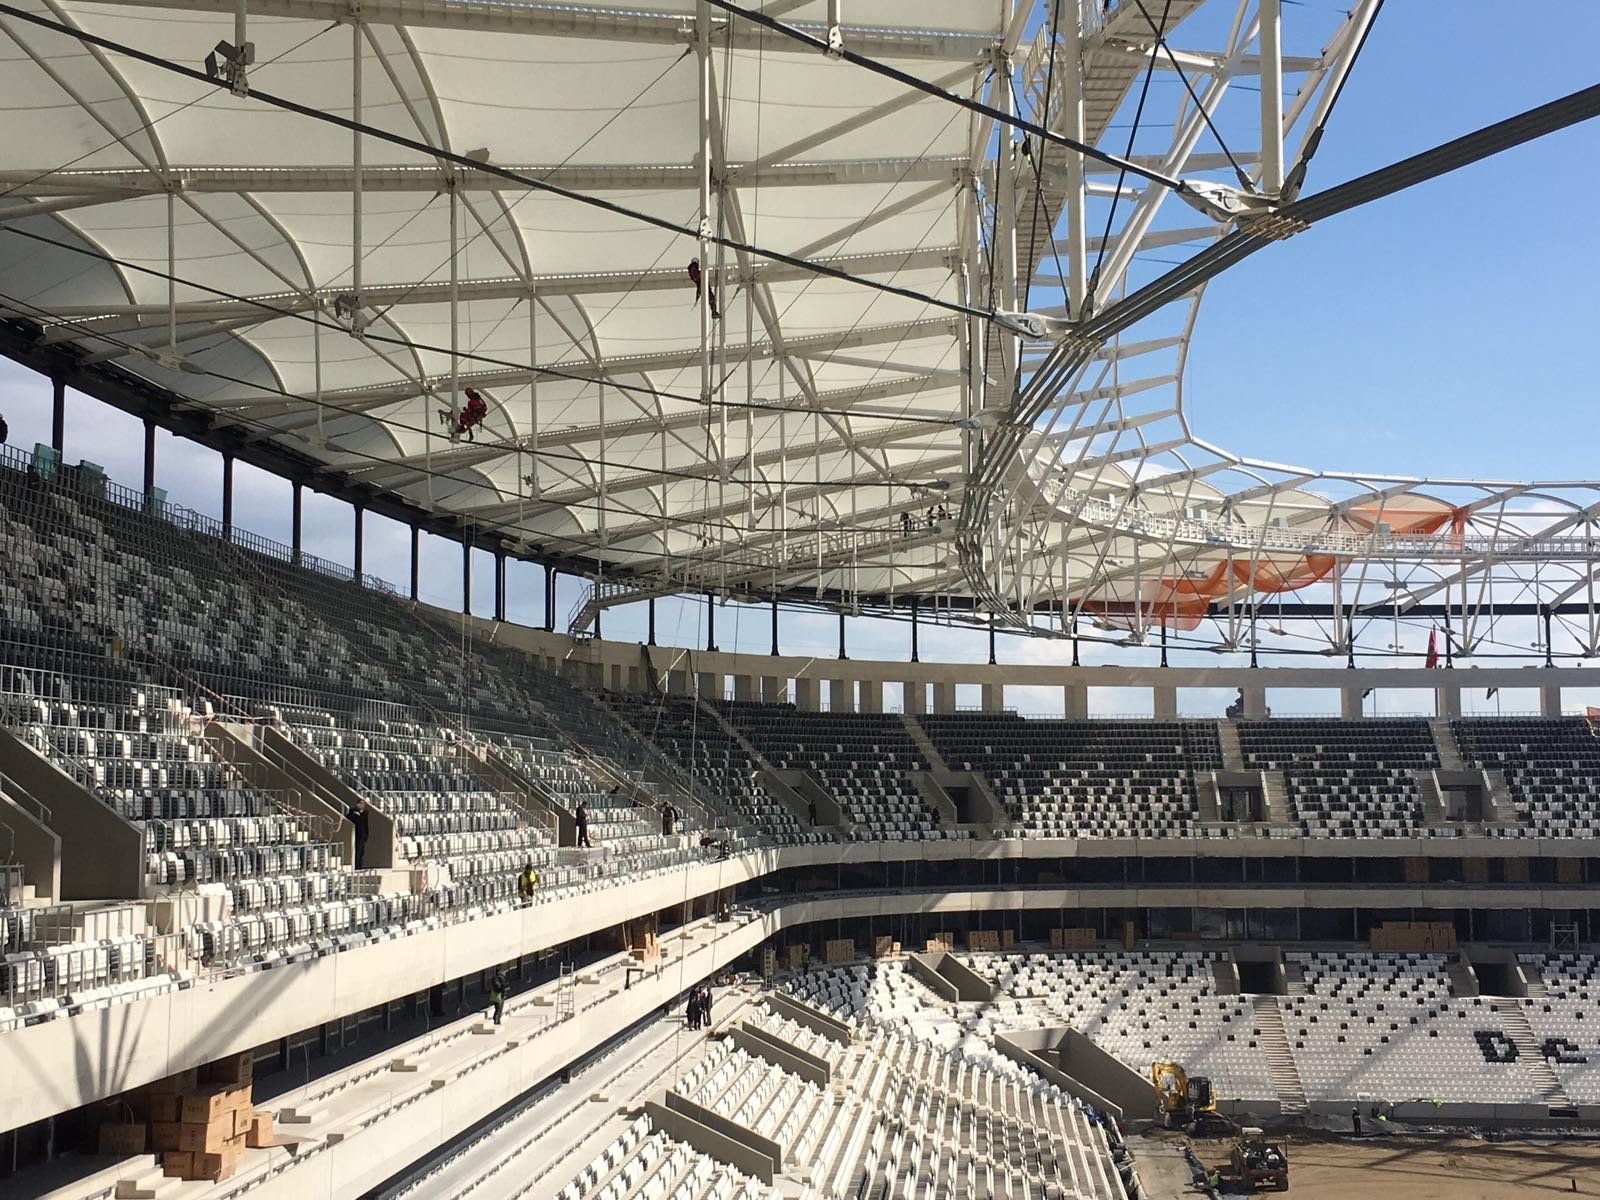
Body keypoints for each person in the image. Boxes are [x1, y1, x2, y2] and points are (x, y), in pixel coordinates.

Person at [346, 797, 371, 869]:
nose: (361, 805)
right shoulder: (353, 811)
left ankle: (360, 865)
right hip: (356, 833)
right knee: (356, 850)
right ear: (357, 804)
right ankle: (356, 865)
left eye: (363, 804)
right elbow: (349, 817)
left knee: (361, 851)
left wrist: (366, 834)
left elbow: (366, 823)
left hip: (362, 833)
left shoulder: (365, 812)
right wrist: (355, 814)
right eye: (360, 804)